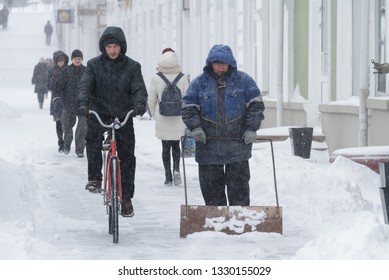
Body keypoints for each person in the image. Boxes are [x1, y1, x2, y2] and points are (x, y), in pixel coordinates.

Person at [181, 44, 265, 206]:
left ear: (230, 64)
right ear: (210, 64)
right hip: (209, 147)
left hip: (237, 146)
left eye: (224, 64)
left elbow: (256, 106)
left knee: (239, 190)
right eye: (217, 64)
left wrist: (251, 128)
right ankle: (215, 224)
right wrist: (196, 127)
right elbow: (188, 108)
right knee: (212, 193)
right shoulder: (199, 83)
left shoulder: (244, 81)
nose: (220, 68)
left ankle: (239, 222)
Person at [78, 26, 148, 217]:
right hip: (99, 112)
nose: (112, 50)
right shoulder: (93, 65)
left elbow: (139, 89)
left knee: (127, 155)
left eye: (115, 46)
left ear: (121, 46)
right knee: (92, 139)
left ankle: (126, 197)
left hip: (123, 115)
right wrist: (83, 104)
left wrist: (139, 104)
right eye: (109, 46)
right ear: (103, 47)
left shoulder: (132, 66)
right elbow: (85, 86)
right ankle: (95, 178)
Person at [148, 48, 189, 186]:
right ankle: (176, 169)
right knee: (176, 146)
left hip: (163, 116)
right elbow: (187, 99)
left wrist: (155, 114)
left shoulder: (156, 78)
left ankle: (168, 176)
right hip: (178, 117)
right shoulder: (183, 78)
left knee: (165, 147)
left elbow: (151, 100)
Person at [58, 49, 87, 157]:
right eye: (75, 58)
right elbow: (60, 86)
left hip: (83, 104)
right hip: (68, 103)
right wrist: (60, 97)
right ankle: (67, 144)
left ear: (82, 59)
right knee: (66, 126)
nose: (77, 60)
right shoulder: (65, 71)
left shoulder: (87, 71)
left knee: (83, 127)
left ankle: (80, 150)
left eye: (79, 58)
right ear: (72, 59)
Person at [48, 50, 68, 153]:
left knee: (67, 122)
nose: (61, 62)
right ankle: (61, 142)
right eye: (59, 61)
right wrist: (54, 77)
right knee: (59, 121)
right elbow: (49, 86)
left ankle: (67, 142)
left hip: (67, 98)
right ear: (56, 61)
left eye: (63, 60)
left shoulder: (68, 69)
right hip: (56, 99)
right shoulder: (51, 71)